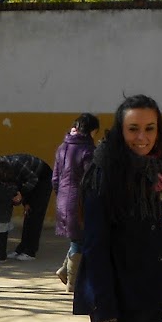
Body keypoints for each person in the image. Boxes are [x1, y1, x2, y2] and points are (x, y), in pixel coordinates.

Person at [76, 94, 162, 322]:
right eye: (133, 129)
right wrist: (104, 308)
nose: (142, 137)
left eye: (149, 128)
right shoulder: (104, 174)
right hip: (118, 304)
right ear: (120, 131)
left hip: (149, 297)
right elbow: (95, 246)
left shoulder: (155, 171)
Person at [51, 113, 98, 287]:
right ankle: (72, 281)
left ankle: (65, 271)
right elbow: (90, 180)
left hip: (63, 199)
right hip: (79, 202)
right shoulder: (88, 150)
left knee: (77, 239)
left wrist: (61, 195)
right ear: (91, 130)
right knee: (80, 240)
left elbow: (55, 178)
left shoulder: (62, 148)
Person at [0, 152, 53, 260]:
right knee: (28, 213)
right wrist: (24, 202)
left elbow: (33, 179)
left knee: (35, 215)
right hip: (29, 181)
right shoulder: (3, 169)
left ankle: (30, 252)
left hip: (42, 179)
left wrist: (22, 194)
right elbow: (18, 184)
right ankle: (21, 248)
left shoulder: (16, 164)